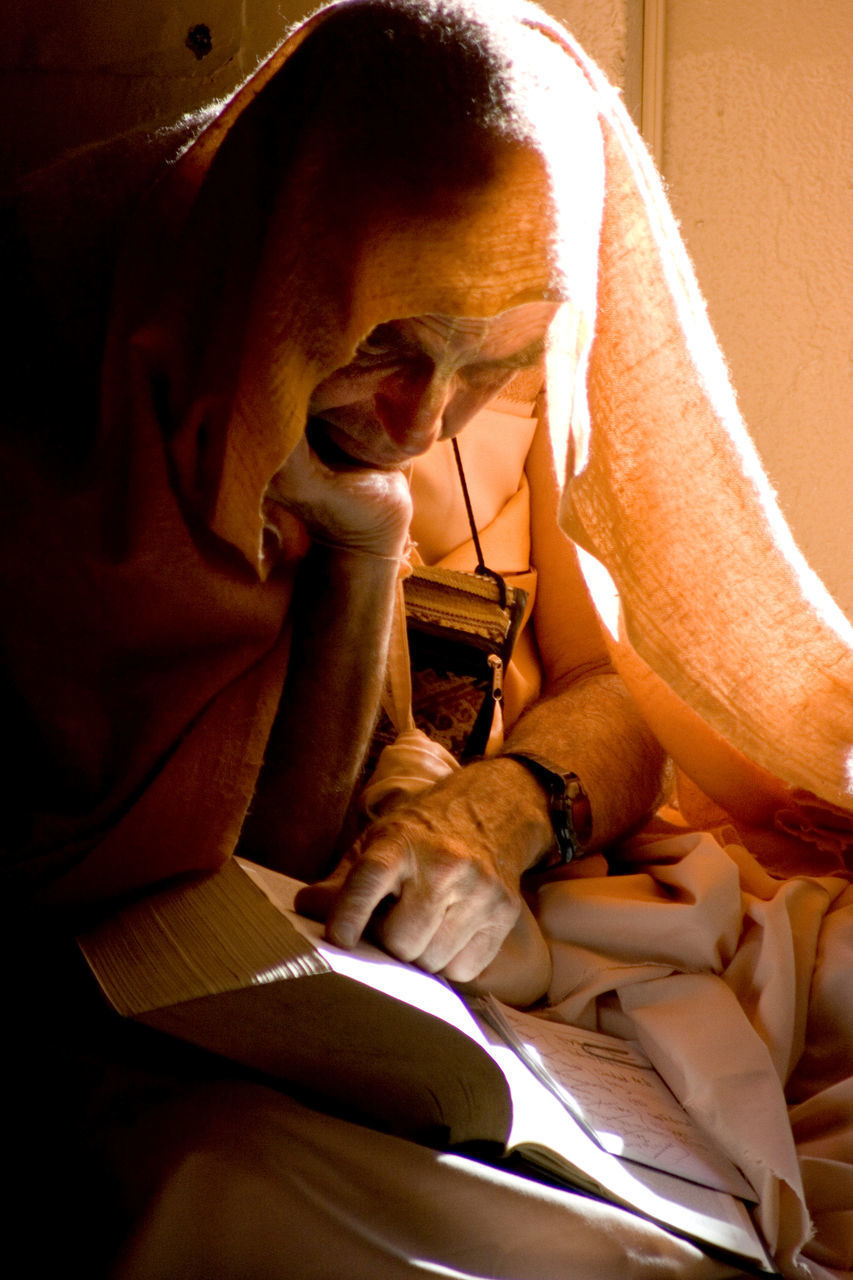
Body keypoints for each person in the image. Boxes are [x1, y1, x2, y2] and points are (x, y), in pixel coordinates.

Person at [2, 1, 852, 1276]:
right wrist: (359, 552)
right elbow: (265, 857)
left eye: (491, 359)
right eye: (383, 345)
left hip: (555, 911)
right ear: (291, 268)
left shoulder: (520, 375)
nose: (424, 412)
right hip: (316, 1001)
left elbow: (618, 686)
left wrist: (497, 808)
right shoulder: (129, 383)